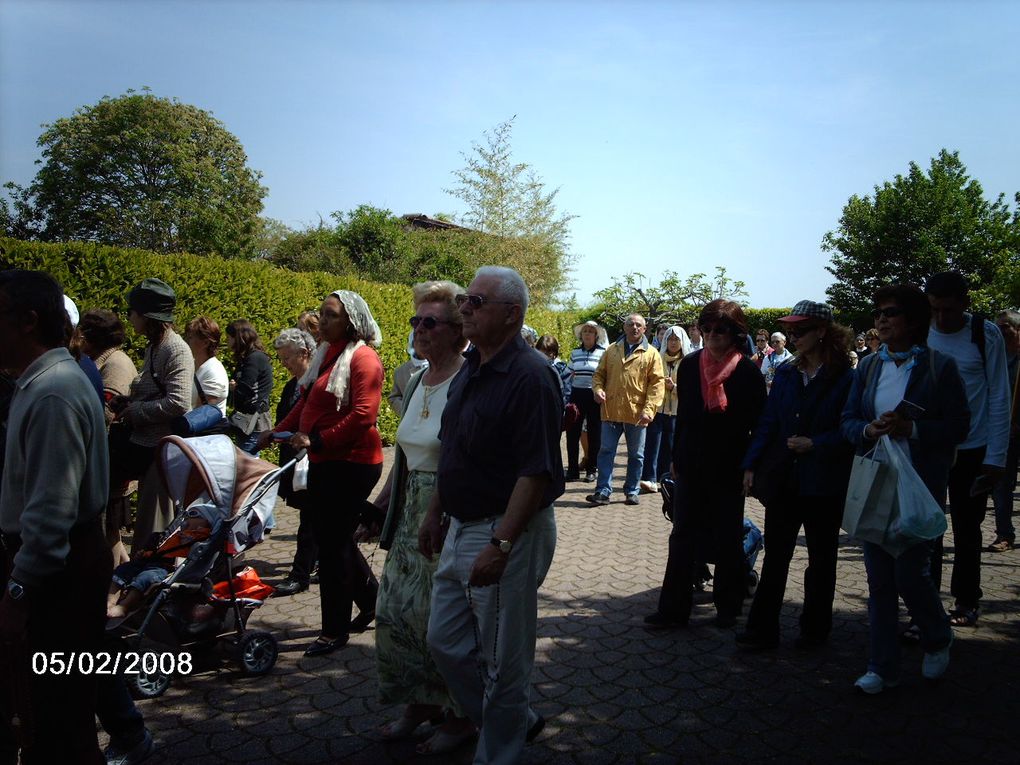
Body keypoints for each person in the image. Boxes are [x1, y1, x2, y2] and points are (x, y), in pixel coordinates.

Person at [420, 266, 563, 765]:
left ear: (512, 315)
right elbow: (451, 447)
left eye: (476, 301)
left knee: (504, 661)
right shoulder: (472, 368)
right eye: (465, 299)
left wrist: (501, 544)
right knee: (445, 642)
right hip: (461, 525)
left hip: (506, 531)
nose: (465, 308)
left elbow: (536, 471)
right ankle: (516, 720)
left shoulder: (532, 376)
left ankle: (497, 753)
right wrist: (435, 513)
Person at [0, 270, 113, 763]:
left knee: (58, 714)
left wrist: (19, 591)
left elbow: (50, 514)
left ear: (27, 321)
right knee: (60, 710)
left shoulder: (52, 392)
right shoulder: (43, 382)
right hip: (66, 563)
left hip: (60, 573)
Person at [840, 283, 968, 693]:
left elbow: (959, 425)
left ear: (913, 319)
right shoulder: (869, 367)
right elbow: (847, 421)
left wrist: (913, 429)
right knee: (879, 580)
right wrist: (866, 428)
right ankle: (882, 667)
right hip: (877, 481)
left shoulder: (939, 367)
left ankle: (937, 635)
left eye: (890, 312)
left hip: (919, 484)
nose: (880, 319)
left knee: (912, 574)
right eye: (878, 312)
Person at [367, 281, 474, 755]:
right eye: (415, 321)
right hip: (410, 509)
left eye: (430, 322)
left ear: (458, 332)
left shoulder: (469, 380)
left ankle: (458, 713)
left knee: (442, 621)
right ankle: (418, 702)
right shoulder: (413, 380)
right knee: (396, 613)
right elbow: (406, 456)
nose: (419, 330)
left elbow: (463, 457)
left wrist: (442, 509)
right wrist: (380, 506)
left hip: (448, 510)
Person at [262, 290, 385, 656]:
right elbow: (306, 400)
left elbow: (364, 415)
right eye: (322, 314)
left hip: (353, 464)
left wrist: (316, 440)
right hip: (325, 461)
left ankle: (334, 630)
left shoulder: (364, 359)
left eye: (330, 315)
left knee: (330, 548)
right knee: (337, 540)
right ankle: (375, 600)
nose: (323, 321)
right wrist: (279, 429)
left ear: (351, 321)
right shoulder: (325, 354)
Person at [736, 301, 855, 650]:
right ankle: (762, 630)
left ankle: (815, 632)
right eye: (790, 330)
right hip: (786, 481)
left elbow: (851, 428)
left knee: (821, 560)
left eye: (800, 330)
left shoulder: (846, 377)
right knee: (776, 557)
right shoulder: (787, 372)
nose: (792, 336)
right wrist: (751, 463)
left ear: (823, 332)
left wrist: (816, 443)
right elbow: (769, 422)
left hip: (824, 482)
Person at [645, 300, 766, 629]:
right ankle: (672, 610)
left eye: (720, 330)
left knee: (727, 537)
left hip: (729, 467)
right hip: (690, 464)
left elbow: (760, 426)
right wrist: (675, 457)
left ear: (735, 334)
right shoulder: (690, 364)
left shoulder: (747, 371)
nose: (712, 335)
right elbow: (682, 418)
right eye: (707, 328)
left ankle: (727, 608)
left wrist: (751, 466)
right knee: (682, 534)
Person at [922, 272, 1010, 627]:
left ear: (966, 304)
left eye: (949, 310)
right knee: (927, 527)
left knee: (967, 529)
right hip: (930, 445)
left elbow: (999, 394)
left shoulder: (984, 334)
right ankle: (925, 605)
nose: (942, 319)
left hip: (973, 448)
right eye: (935, 310)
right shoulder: (922, 331)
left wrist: (996, 456)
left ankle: (966, 600)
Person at [109, 278, 194, 555]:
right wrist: (130, 401)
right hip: (149, 448)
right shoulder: (155, 346)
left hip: (163, 452)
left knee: (154, 528)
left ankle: (148, 586)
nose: (129, 318)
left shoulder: (175, 348)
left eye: (132, 312)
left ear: (146, 315)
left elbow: (179, 402)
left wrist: (136, 412)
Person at [586, 314, 664, 506]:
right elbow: (599, 375)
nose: (634, 328)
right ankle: (603, 491)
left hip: (637, 413)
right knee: (605, 451)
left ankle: (631, 490)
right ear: (624, 327)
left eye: (639, 325)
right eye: (631, 324)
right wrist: (597, 390)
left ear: (645, 329)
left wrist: (649, 410)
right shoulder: (612, 349)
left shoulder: (652, 353)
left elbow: (657, 384)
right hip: (611, 410)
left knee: (636, 455)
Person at [269, 328, 320, 596]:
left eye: (287, 358)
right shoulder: (293, 385)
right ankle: (321, 563)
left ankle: (300, 575)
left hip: (313, 464)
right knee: (315, 520)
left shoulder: (316, 384)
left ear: (304, 353)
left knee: (310, 521)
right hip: (296, 463)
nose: (284, 364)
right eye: (281, 359)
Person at [640, 326, 692, 494]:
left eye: (676, 339)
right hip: (657, 408)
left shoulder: (687, 361)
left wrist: (674, 387)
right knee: (652, 444)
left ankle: (665, 478)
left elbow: (691, 389)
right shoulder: (658, 357)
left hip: (677, 411)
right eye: (670, 339)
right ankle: (649, 478)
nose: (673, 343)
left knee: (670, 446)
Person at [988, 310, 1019, 552]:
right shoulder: (995, 357)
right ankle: (1004, 534)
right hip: (1005, 430)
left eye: (1004, 326)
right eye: (996, 326)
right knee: (1001, 485)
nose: (999, 330)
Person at [565, 321, 608, 482]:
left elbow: (606, 375)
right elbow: (567, 373)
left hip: (594, 396)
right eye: (585, 331)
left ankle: (592, 469)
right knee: (572, 433)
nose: (588, 334)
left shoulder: (603, 353)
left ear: (596, 335)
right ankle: (572, 470)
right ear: (581, 335)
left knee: (594, 433)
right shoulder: (575, 352)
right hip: (577, 395)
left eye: (591, 331)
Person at [226, 320, 273, 455]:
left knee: (247, 462)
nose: (227, 342)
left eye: (229, 338)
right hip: (247, 422)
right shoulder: (248, 358)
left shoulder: (255, 358)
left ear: (238, 338)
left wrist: (235, 388)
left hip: (254, 422)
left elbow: (246, 389)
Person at [184, 316, 229, 419]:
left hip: (203, 433)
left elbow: (202, 414)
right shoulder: (191, 365)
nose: (186, 341)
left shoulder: (213, 371)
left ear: (205, 343)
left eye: (190, 337)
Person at [387, 330, 428, 414]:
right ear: (412, 344)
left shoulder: (442, 366)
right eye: (418, 342)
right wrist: (407, 411)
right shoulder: (401, 371)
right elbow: (394, 397)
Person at [535, 334, 571, 406]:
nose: (545, 356)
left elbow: (566, 393)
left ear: (554, 353)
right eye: (542, 353)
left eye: (549, 353)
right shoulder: (533, 367)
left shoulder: (561, 369)